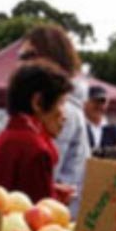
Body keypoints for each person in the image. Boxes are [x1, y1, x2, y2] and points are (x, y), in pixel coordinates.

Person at [0, 63, 74, 204]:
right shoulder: (36, 150)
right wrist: (56, 203)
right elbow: (42, 216)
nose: (65, 116)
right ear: (37, 102)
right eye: (61, 103)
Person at [18, 26, 85, 206]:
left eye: (29, 56)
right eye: (21, 57)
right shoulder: (34, 105)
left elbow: (44, 175)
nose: (21, 64)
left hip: (46, 219)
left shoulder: (63, 112)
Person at [84, 84, 116, 157]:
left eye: (103, 102)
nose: (99, 106)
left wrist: (103, 151)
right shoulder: (79, 125)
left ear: (107, 104)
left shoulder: (113, 128)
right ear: (85, 103)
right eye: (95, 102)